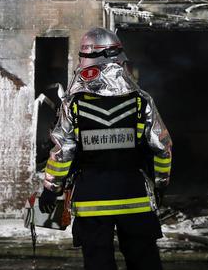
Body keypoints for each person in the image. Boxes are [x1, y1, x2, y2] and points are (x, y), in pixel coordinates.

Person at [38, 27, 172, 270]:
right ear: (118, 59)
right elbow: (161, 148)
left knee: (98, 263)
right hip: (135, 198)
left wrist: (51, 188)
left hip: (91, 202)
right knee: (145, 263)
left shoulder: (73, 104)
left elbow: (63, 152)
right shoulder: (141, 100)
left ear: (85, 60)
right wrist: (161, 183)